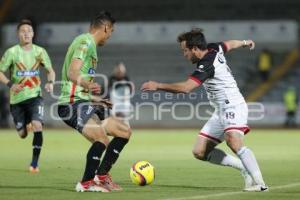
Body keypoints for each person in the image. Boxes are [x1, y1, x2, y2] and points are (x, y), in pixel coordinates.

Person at [141, 29, 268, 192]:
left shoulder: (207, 63)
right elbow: (229, 44)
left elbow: (186, 88)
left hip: (233, 106)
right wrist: (244, 43)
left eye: (185, 51)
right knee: (200, 151)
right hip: (220, 110)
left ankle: (260, 183)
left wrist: (157, 85)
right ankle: (244, 168)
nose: (184, 54)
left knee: (233, 141)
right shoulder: (214, 47)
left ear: (194, 48)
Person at [57, 11, 131, 192]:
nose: (110, 36)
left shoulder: (91, 46)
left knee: (124, 132)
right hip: (72, 104)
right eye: (111, 31)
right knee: (102, 140)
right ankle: (86, 183)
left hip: (84, 101)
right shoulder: (85, 42)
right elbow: (72, 73)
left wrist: (97, 99)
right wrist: (87, 85)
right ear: (105, 28)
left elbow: (77, 81)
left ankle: (102, 176)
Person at [0, 19, 55, 173]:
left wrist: (50, 82)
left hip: (35, 96)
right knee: (22, 134)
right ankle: (24, 126)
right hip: (16, 100)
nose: (26, 33)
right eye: (23, 31)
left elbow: (50, 70)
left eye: (29, 31)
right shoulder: (12, 52)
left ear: (33, 34)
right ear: (18, 34)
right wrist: (11, 85)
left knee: (37, 125)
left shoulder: (40, 51)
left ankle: (34, 164)